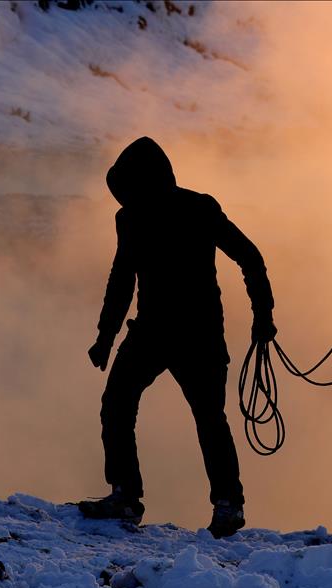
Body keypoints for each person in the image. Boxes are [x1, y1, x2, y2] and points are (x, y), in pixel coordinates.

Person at [80, 137, 276, 539]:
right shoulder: (178, 210)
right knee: (194, 416)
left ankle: (136, 497)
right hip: (178, 331)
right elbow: (250, 257)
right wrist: (263, 316)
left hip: (176, 332)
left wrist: (106, 335)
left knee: (128, 406)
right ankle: (220, 503)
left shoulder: (171, 212)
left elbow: (121, 280)